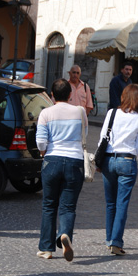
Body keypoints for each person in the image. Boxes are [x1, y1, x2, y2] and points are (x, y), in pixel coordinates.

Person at [36, 78, 87, 262]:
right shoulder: (80, 112)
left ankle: (46, 249)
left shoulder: (46, 113)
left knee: (49, 205)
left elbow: (41, 142)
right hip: (75, 161)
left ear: (51, 95)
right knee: (68, 206)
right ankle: (64, 234)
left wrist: (45, 151)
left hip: (52, 160)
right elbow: (84, 135)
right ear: (70, 94)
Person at [99, 84, 138, 255]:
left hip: (108, 159)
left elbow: (102, 138)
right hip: (127, 160)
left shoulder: (112, 113)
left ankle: (109, 239)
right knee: (122, 203)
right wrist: (132, 159)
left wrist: (100, 161)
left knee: (110, 203)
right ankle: (116, 242)